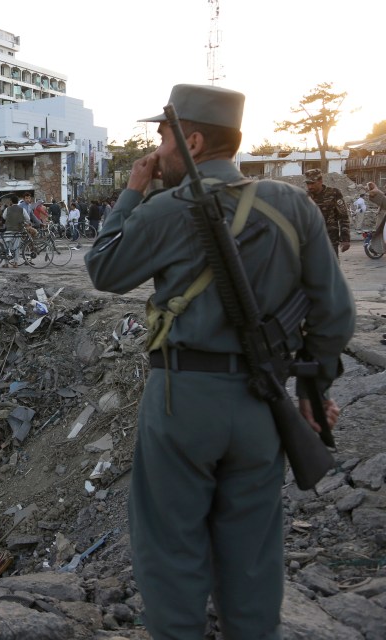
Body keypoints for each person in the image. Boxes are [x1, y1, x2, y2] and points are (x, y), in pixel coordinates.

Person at [85, 83, 355, 640]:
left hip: (181, 399)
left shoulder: (165, 207)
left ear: (194, 139)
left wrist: (132, 191)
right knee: (252, 553)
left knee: (170, 547)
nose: (156, 152)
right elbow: (334, 313)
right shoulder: (293, 204)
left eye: (162, 138)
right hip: (262, 403)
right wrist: (312, 392)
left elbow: (104, 269)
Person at [303, 169, 350, 257]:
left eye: (312, 183)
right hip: (311, 241)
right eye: (307, 183)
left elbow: (343, 216)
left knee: (331, 268)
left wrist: (345, 239)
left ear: (320, 181)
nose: (309, 186)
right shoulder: (305, 196)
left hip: (330, 240)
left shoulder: (334, 193)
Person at [1, 197, 26, 268]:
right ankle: (15, 263)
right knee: (16, 247)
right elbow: (28, 218)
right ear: (17, 201)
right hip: (18, 231)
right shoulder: (22, 209)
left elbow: (4, 217)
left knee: (7, 247)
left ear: (11, 201)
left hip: (8, 230)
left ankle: (6, 263)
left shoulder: (7, 209)